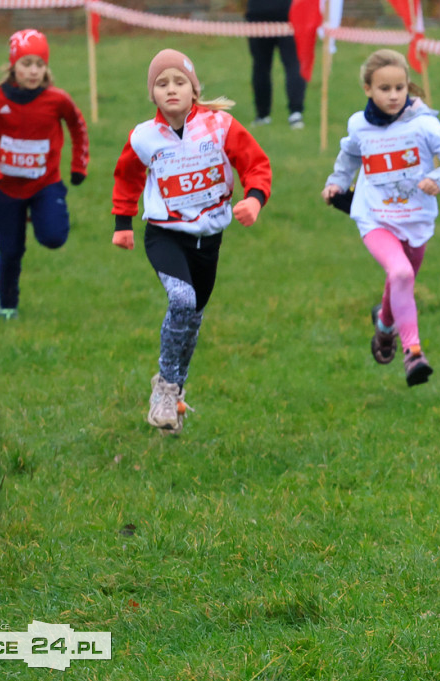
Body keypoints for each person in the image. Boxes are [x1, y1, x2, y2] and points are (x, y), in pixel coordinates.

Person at [111, 49, 272, 434]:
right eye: (161, 83)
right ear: (152, 94)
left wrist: (254, 198)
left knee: (192, 319)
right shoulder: (144, 137)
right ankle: (163, 390)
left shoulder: (220, 126)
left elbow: (256, 163)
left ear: (194, 90)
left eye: (179, 82)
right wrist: (123, 222)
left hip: (209, 240)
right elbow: (127, 177)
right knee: (181, 301)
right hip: (165, 235)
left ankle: (175, 394)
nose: (171, 90)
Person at [322, 49, 440, 387]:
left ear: (408, 87)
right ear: (367, 89)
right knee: (401, 272)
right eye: (384, 89)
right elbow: (349, 154)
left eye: (399, 88)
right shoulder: (359, 125)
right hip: (374, 217)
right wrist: (336, 183)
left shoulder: (424, 125)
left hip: (416, 218)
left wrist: (439, 179)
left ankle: (385, 326)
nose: (393, 96)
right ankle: (413, 352)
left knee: (401, 281)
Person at [0, 29, 89, 320]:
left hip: (45, 184)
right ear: (13, 66)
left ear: (46, 67)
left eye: (39, 64)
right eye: (26, 64)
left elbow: (78, 126)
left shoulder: (57, 100)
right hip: (5, 189)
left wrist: (78, 165)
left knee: (53, 237)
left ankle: (40, 212)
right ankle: (8, 306)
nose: (33, 71)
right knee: (10, 252)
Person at [245, 0, 306, 129]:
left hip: (260, 12)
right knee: (293, 64)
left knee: (261, 66)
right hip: (286, 12)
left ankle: (262, 116)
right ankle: (295, 113)